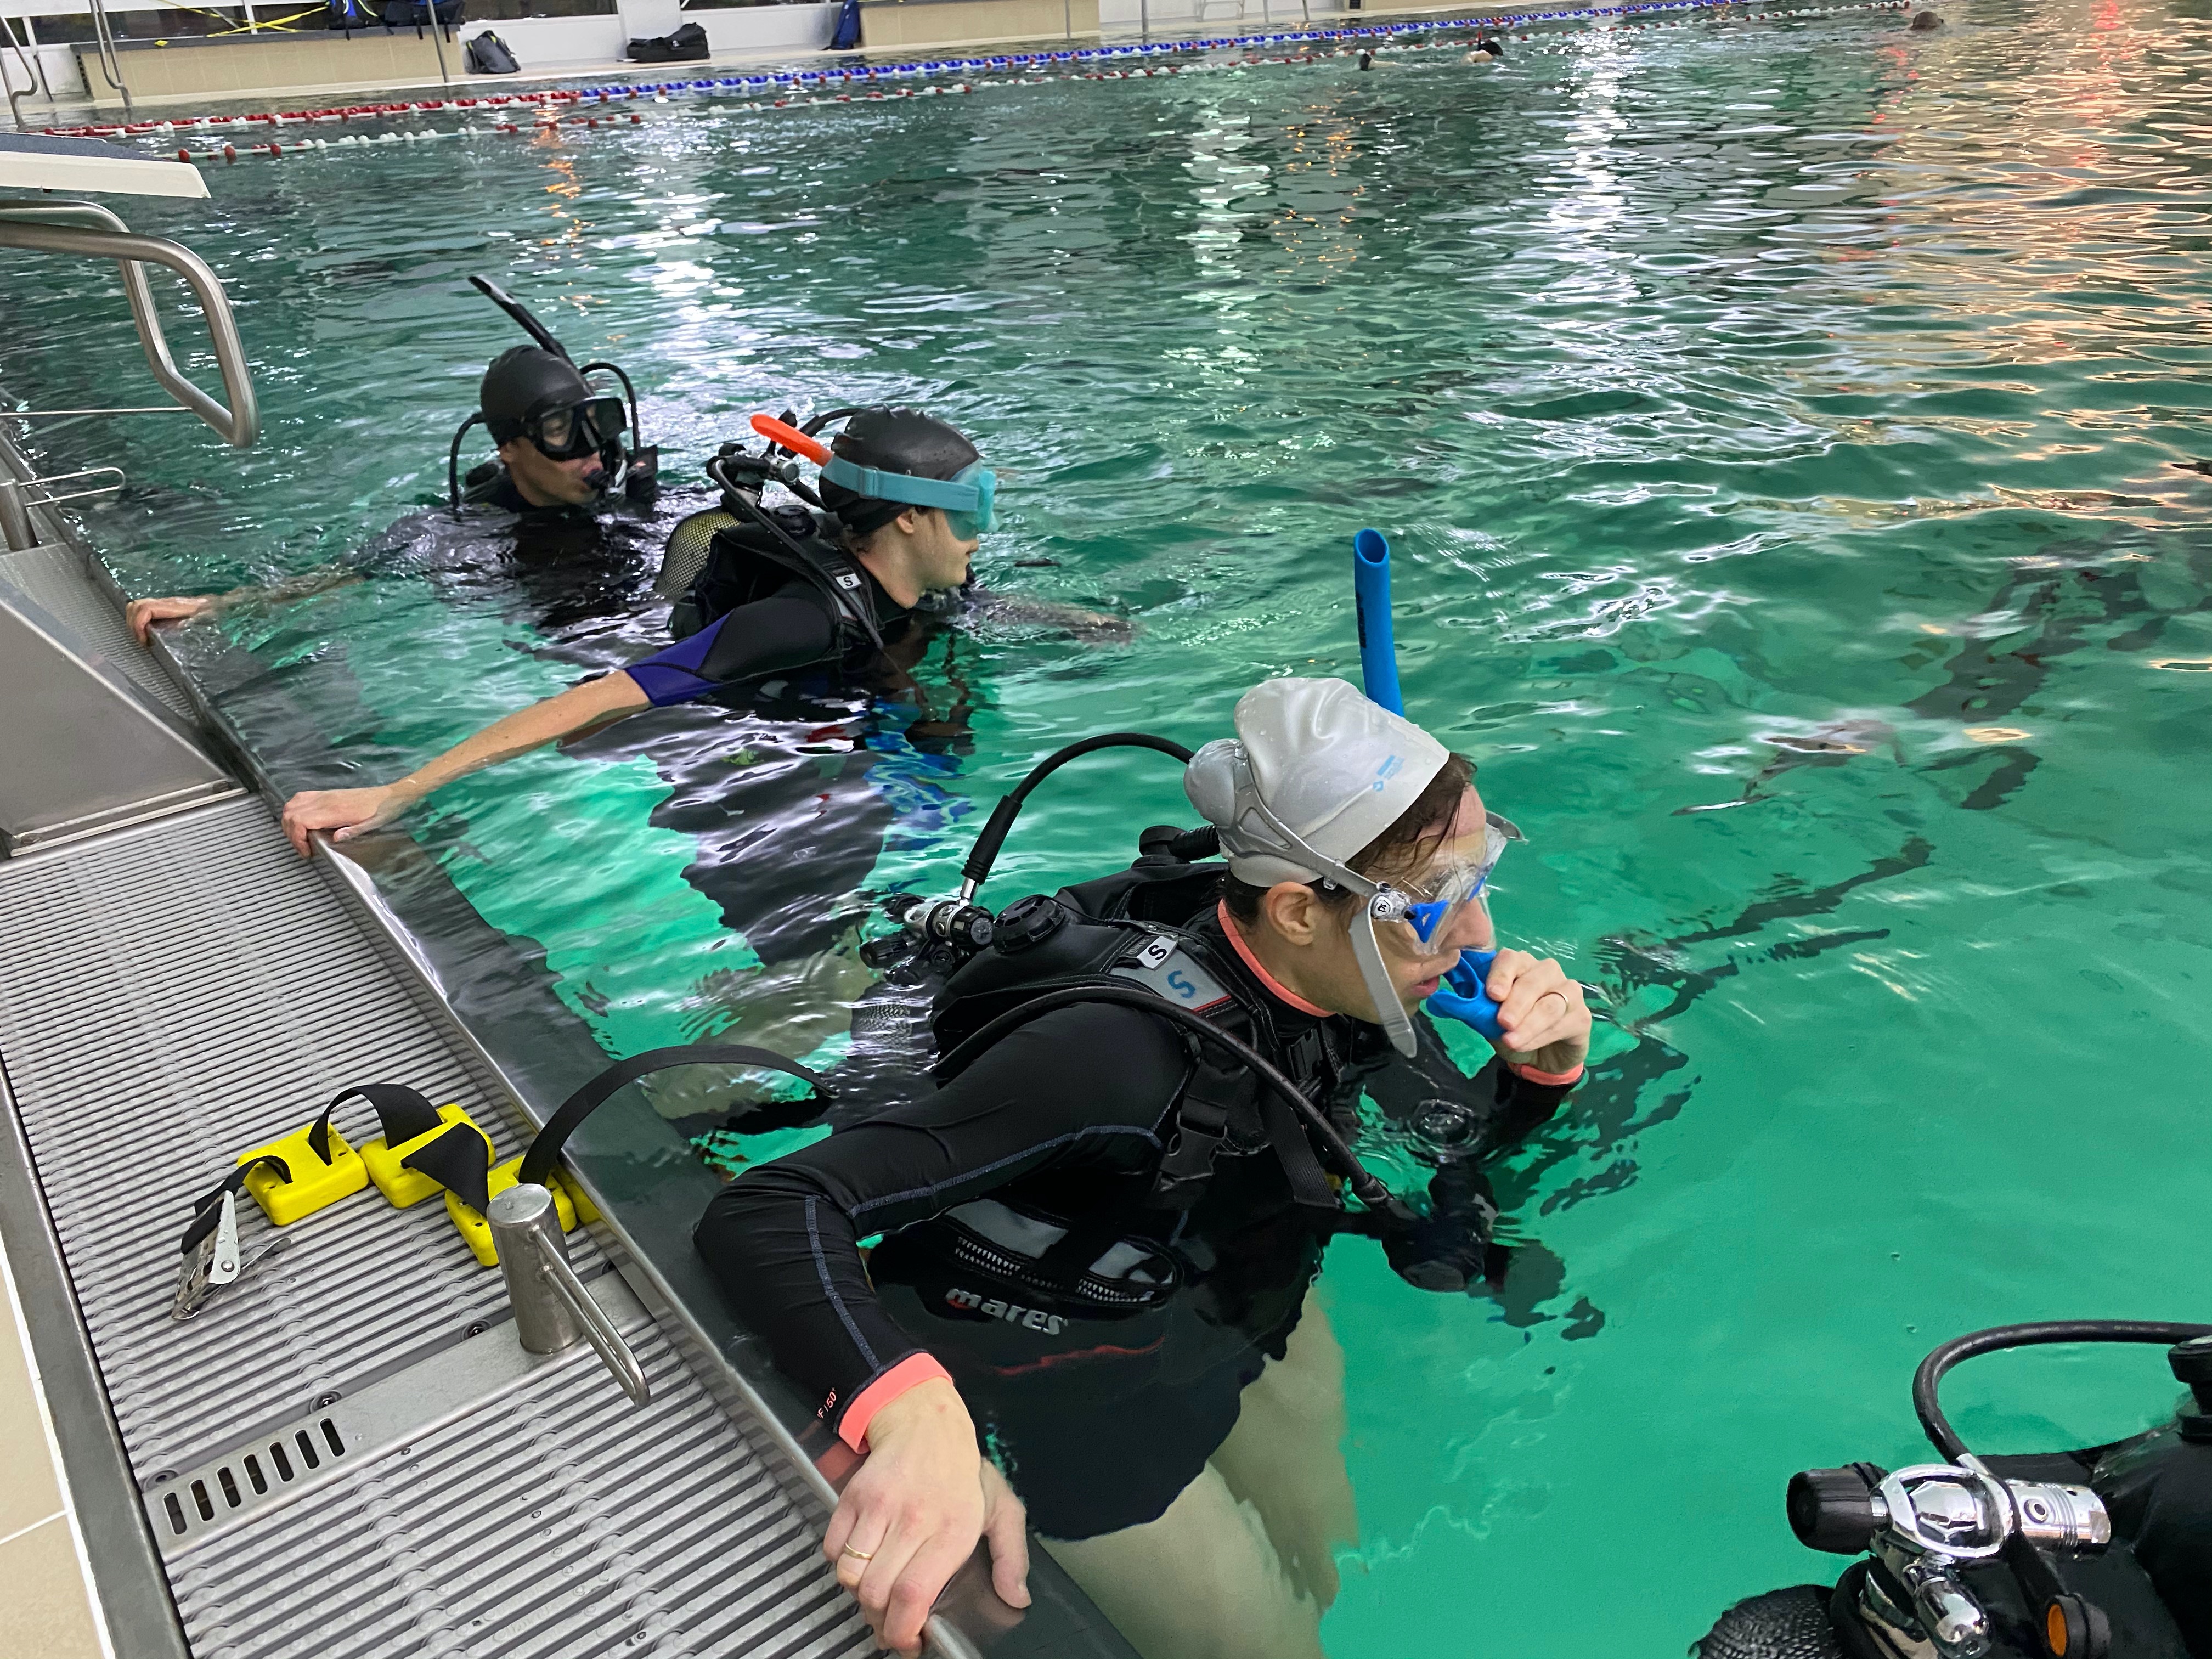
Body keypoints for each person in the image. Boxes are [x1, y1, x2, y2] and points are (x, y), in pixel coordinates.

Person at [694, 676, 1594, 1659]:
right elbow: (775, 1206)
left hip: (1223, 1312)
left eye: (1478, 883)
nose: (1475, 937)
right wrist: (909, 1414)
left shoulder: (1357, 987)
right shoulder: (1110, 1056)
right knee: (1274, 1644)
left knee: (1324, 1562)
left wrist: (1539, 1075)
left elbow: (1458, 1152)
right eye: (1435, 902)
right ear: (1297, 909)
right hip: (1072, 1398)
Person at [274, 406, 991, 856]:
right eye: (969, 515)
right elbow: (597, 699)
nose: (980, 537)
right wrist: (399, 792)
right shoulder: (799, 619)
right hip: (727, 742)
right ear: (908, 518)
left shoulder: (928, 585)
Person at [124, 343, 662, 645]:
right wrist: (219, 604)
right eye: (562, 434)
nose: (592, 451)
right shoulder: (458, 529)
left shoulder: (628, 488)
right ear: (510, 450)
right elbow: (349, 575)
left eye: (599, 423)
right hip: (581, 635)